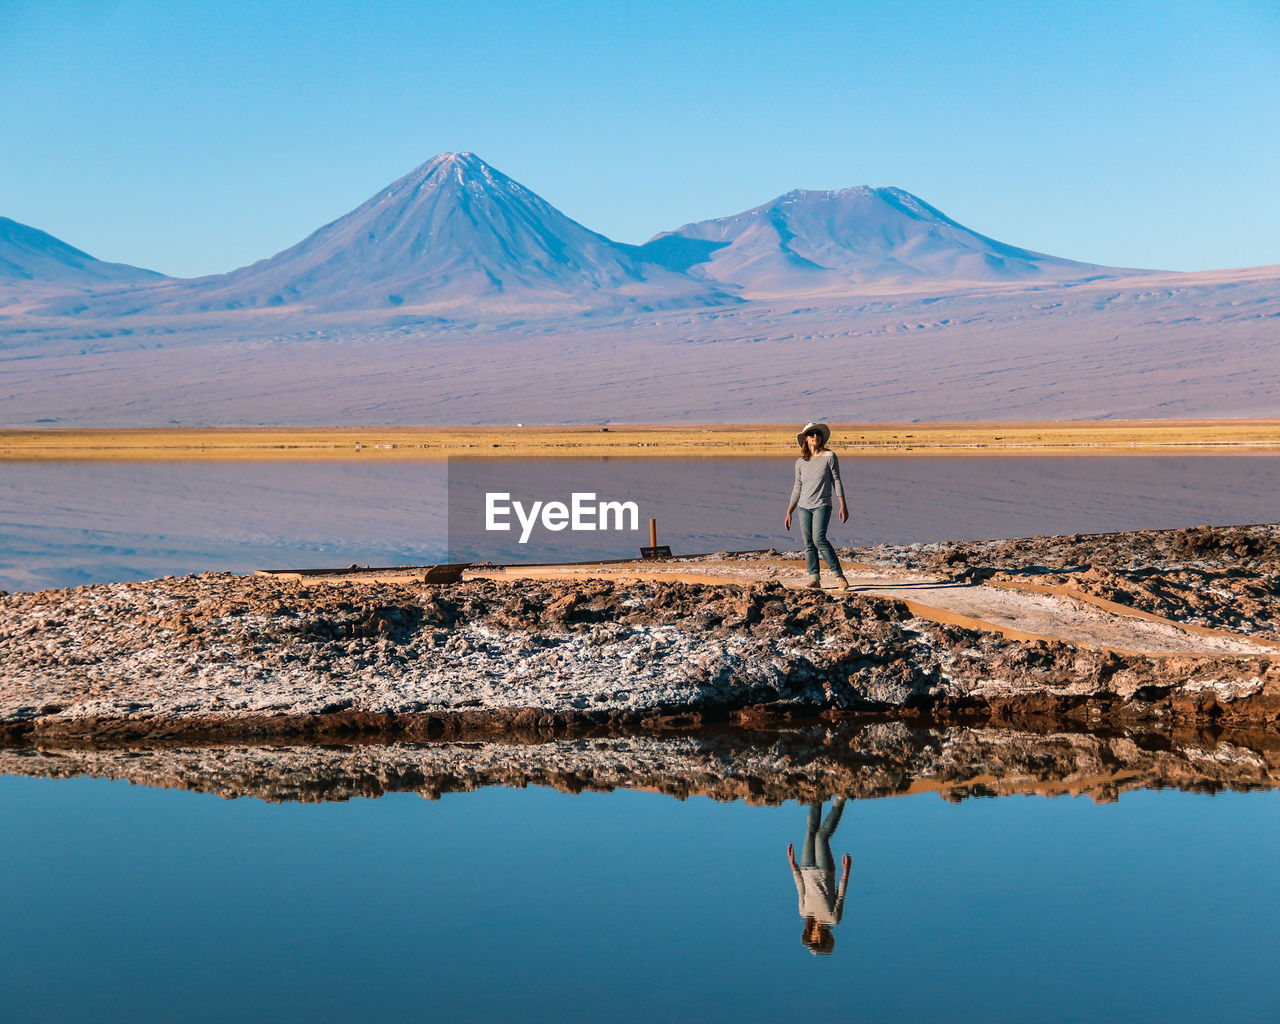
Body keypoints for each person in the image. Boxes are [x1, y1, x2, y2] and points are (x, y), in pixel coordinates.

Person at [784, 421, 849, 589]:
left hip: (822, 504)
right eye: (811, 434)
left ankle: (838, 576)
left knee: (819, 538)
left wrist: (843, 504)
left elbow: (837, 480)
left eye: (817, 434)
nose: (815, 436)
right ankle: (815, 578)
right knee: (808, 543)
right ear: (805, 439)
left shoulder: (829, 456)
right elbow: (797, 487)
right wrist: (789, 511)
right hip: (803, 507)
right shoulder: (800, 462)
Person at [787, 799, 852, 956]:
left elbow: (800, 888)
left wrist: (792, 864)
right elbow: (841, 895)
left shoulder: (804, 913)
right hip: (824, 871)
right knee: (821, 837)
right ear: (825, 938)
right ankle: (840, 801)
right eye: (818, 941)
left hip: (806, 868)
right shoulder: (833, 920)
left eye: (812, 940)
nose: (815, 938)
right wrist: (846, 872)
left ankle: (817, 796)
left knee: (810, 831)